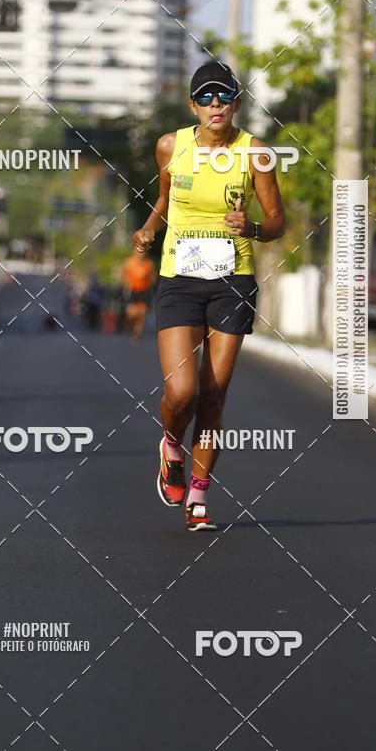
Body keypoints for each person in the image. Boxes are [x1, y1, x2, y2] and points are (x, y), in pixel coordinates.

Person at [132, 61, 286, 532]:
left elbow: (279, 221)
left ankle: (198, 497)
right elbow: (163, 198)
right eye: (206, 97)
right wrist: (149, 227)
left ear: (237, 104)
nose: (215, 105)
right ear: (192, 105)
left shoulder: (255, 153)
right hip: (180, 277)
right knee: (182, 391)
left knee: (215, 396)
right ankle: (172, 446)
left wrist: (253, 227)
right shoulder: (170, 146)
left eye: (224, 97)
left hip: (233, 281)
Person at [121, 250, 157, 342]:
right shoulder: (129, 262)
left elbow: (153, 276)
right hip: (132, 290)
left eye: (143, 252)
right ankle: (128, 325)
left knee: (142, 313)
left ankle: (136, 334)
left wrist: (150, 283)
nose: (141, 254)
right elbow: (123, 274)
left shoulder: (148, 263)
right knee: (132, 313)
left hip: (143, 291)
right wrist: (127, 284)